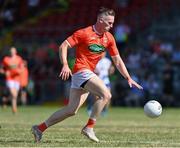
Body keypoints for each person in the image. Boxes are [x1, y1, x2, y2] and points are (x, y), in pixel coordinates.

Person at [31, 7, 143, 143]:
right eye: (109, 23)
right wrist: (65, 64)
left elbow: (117, 60)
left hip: (86, 73)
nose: (111, 25)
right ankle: (89, 127)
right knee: (106, 95)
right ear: (100, 20)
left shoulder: (109, 38)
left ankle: (39, 128)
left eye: (113, 23)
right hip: (81, 71)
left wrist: (128, 77)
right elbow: (64, 46)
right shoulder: (84, 33)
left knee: (71, 110)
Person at [87, 52, 115, 116]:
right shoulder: (95, 60)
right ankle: (92, 109)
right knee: (96, 97)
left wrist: (111, 70)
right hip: (97, 81)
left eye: (103, 53)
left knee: (108, 97)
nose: (102, 54)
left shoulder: (108, 61)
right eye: (100, 53)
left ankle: (104, 111)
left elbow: (110, 71)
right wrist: (94, 71)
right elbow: (90, 69)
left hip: (106, 81)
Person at [1, 47, 23, 113]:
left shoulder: (19, 59)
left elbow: (22, 68)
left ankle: (5, 101)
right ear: (9, 52)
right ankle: (14, 108)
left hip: (17, 78)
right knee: (13, 94)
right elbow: (1, 69)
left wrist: (20, 71)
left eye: (13, 51)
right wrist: (5, 72)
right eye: (11, 51)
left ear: (15, 52)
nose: (12, 52)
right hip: (9, 78)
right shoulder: (6, 59)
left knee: (15, 95)